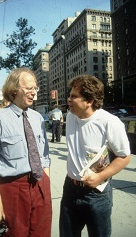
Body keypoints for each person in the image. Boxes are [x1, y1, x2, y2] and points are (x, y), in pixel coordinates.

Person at [0, 67, 52, 237]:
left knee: (42, 232)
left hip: (40, 186)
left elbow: (44, 157)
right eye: (28, 88)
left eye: (35, 88)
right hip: (13, 189)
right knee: (16, 233)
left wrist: (46, 183)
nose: (33, 92)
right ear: (13, 90)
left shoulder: (38, 118)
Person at [59, 75, 130, 237]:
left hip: (97, 194)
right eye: (69, 95)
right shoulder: (70, 116)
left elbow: (124, 157)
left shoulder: (110, 122)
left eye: (74, 96)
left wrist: (100, 177)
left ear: (89, 100)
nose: (69, 100)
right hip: (70, 188)